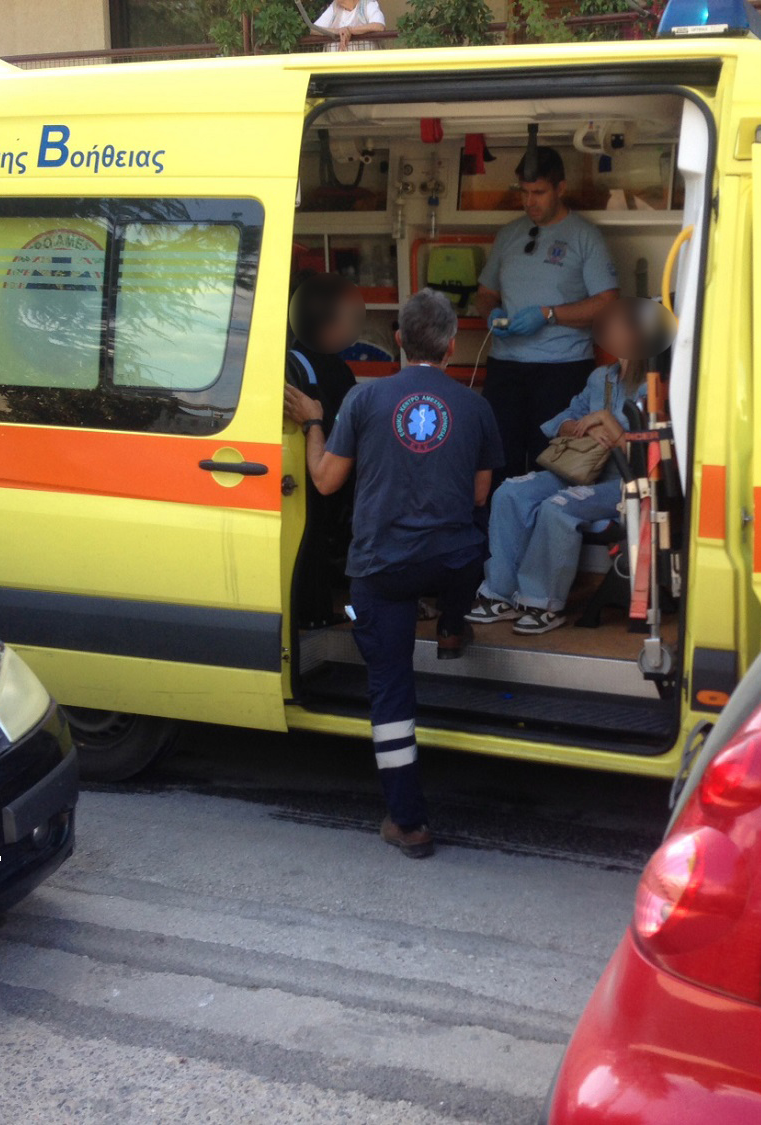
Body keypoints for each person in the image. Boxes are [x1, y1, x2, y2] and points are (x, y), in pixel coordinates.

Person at [290, 290, 503, 859]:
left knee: (390, 690)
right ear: (452, 345)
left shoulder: (364, 399)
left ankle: (409, 824)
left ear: (400, 341)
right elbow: (479, 495)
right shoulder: (476, 406)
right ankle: (452, 625)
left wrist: (314, 421)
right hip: (451, 564)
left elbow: (326, 481)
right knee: (472, 545)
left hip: (382, 570)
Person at [467, 298, 665, 636]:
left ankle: (542, 602)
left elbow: (650, 452)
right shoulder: (600, 378)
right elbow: (563, 420)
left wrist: (607, 423)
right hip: (579, 468)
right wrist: (579, 426)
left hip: (624, 481)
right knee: (510, 492)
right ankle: (499, 594)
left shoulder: (654, 385)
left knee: (557, 507)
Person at [476, 146, 619, 481]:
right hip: (506, 366)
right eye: (524, 193)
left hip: (562, 368)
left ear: (561, 188)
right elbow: (485, 293)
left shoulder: (585, 237)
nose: (530, 202)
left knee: (554, 463)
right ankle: (500, 516)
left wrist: (550, 314)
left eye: (538, 192)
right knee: (498, 460)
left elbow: (608, 302)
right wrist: (491, 313)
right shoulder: (509, 235)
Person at [284, 273, 363, 629]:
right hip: (316, 467)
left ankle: (319, 607)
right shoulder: (301, 364)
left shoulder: (325, 362)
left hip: (326, 465)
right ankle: (315, 613)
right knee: (311, 536)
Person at [313, 0, 386, 50]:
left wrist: (350, 30)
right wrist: (338, 31)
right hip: (336, 64)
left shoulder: (367, 3)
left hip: (364, 63)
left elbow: (379, 26)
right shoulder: (335, 6)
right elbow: (313, 29)